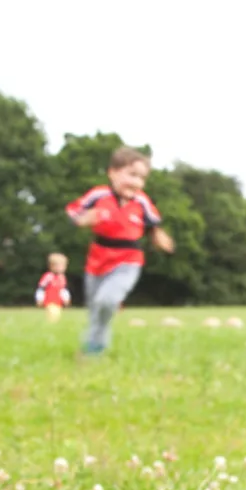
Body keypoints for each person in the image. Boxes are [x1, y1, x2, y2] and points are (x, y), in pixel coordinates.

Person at [68, 146, 173, 355]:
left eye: (142, 178)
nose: (136, 182)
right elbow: (74, 212)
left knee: (106, 301)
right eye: (131, 175)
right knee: (95, 310)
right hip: (97, 260)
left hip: (128, 261)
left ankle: (95, 348)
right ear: (113, 173)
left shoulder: (141, 201)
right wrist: (82, 220)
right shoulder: (99, 195)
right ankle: (92, 347)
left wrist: (160, 238)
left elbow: (153, 224)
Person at [37, 252, 72, 322]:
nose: (62, 268)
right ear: (52, 266)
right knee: (53, 313)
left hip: (58, 302)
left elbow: (63, 290)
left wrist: (66, 299)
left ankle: (52, 325)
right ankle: (51, 325)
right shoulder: (48, 276)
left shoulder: (62, 277)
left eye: (63, 266)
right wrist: (39, 298)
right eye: (59, 266)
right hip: (49, 301)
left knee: (57, 315)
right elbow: (41, 289)